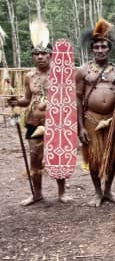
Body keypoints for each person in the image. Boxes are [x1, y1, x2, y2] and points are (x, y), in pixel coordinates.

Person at [8, 20, 71, 206]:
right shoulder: (29, 76)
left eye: (44, 53)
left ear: (51, 55)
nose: (40, 56)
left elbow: (68, 99)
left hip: (56, 122)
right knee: (35, 157)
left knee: (57, 155)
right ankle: (37, 194)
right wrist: (16, 102)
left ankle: (62, 193)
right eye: (36, 54)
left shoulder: (60, 74)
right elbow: (27, 99)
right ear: (33, 56)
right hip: (34, 122)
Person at [76, 18, 115, 207]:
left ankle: (108, 190)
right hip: (91, 119)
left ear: (109, 49)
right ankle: (97, 192)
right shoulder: (83, 71)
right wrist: (80, 127)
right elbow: (77, 99)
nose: (100, 50)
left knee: (112, 156)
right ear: (92, 49)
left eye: (104, 47)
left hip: (113, 119)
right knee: (93, 157)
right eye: (97, 47)